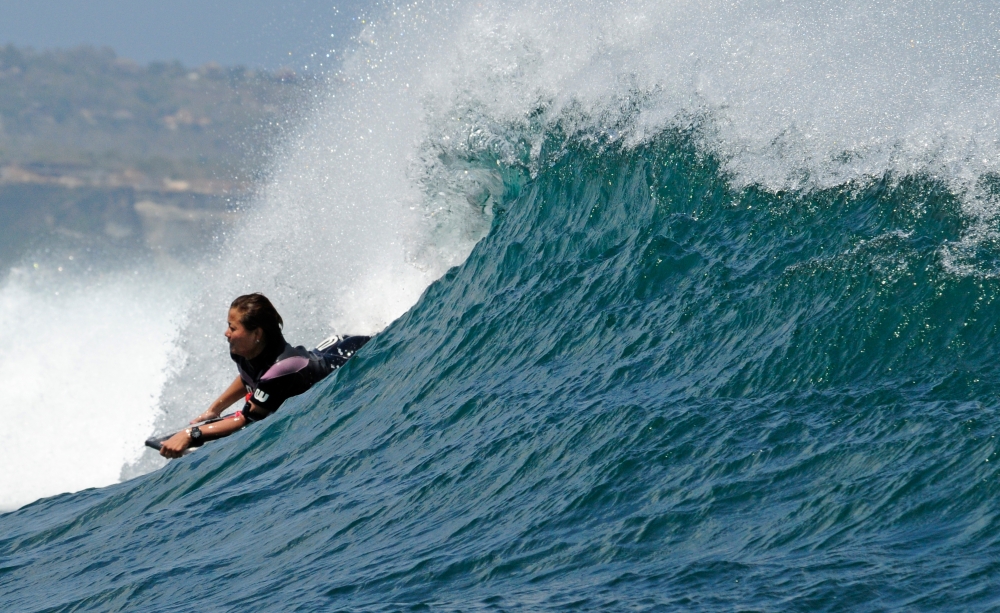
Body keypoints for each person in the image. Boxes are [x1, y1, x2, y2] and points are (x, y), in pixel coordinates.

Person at [160, 293, 370, 458]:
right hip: (320, 353)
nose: (226, 333)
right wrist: (214, 410)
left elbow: (246, 419)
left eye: (233, 328)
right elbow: (247, 377)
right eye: (228, 326)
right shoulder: (241, 349)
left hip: (347, 359)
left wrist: (192, 434)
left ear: (257, 334)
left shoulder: (281, 370)